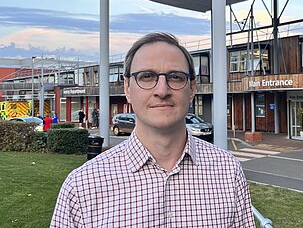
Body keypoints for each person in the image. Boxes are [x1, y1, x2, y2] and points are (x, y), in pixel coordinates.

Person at [51, 32, 255, 227]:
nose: (162, 90)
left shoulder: (228, 171)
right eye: (147, 76)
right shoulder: (82, 186)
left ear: (192, 89)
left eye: (175, 77)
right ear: (127, 89)